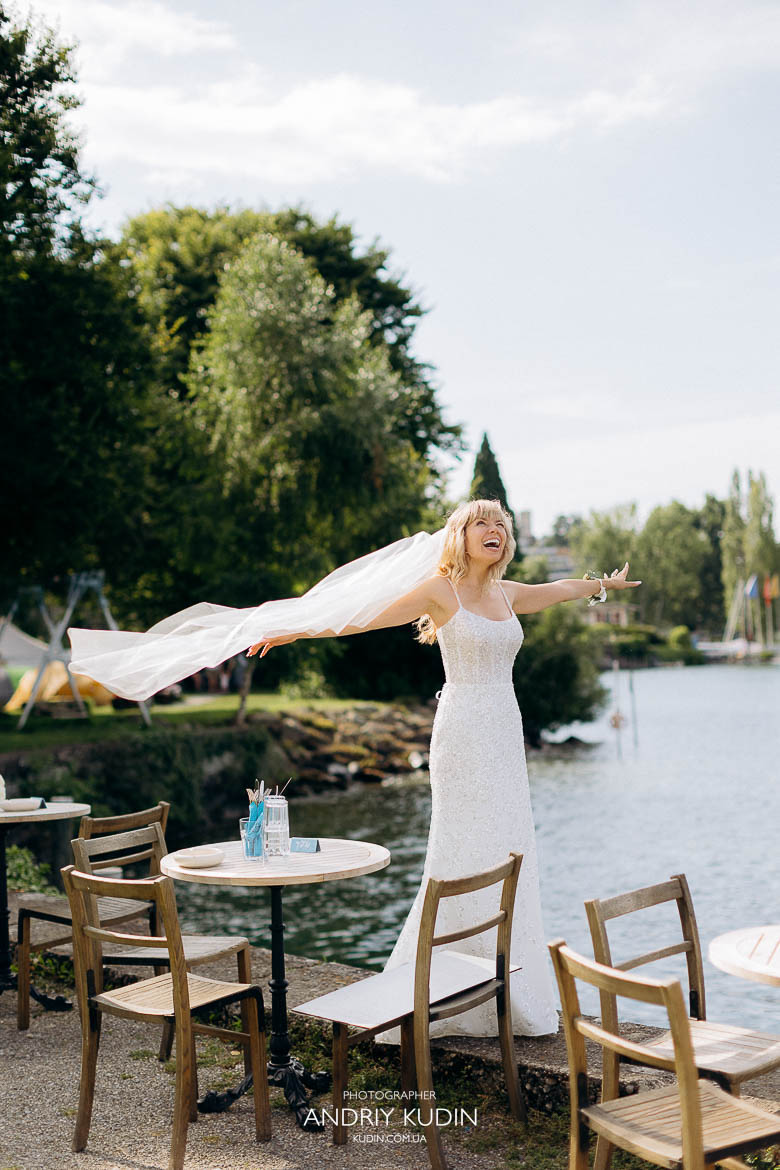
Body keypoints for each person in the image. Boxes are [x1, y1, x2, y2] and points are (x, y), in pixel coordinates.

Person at [247, 498, 640, 1037]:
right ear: (460, 534)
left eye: (501, 524)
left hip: (504, 733)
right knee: (457, 850)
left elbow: (559, 590)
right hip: (461, 735)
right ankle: (437, 986)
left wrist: (601, 586)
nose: (494, 529)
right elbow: (365, 617)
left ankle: (505, 988)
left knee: (509, 847)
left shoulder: (507, 593)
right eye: (482, 522)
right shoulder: (441, 591)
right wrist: (298, 631)